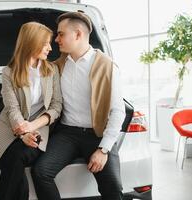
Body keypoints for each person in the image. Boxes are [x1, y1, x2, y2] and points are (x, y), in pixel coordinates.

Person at [31, 12, 125, 200]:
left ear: (78, 34)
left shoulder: (107, 66)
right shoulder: (56, 66)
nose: (56, 39)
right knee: (41, 172)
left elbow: (118, 112)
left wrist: (103, 150)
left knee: (113, 189)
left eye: (61, 34)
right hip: (67, 134)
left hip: (98, 135)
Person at [0, 21, 62, 200]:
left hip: (38, 129)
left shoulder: (52, 70)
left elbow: (56, 106)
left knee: (15, 157)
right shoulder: (8, 72)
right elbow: (11, 108)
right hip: (8, 129)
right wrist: (22, 133)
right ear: (32, 42)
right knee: (12, 161)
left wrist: (31, 127)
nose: (50, 48)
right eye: (46, 43)